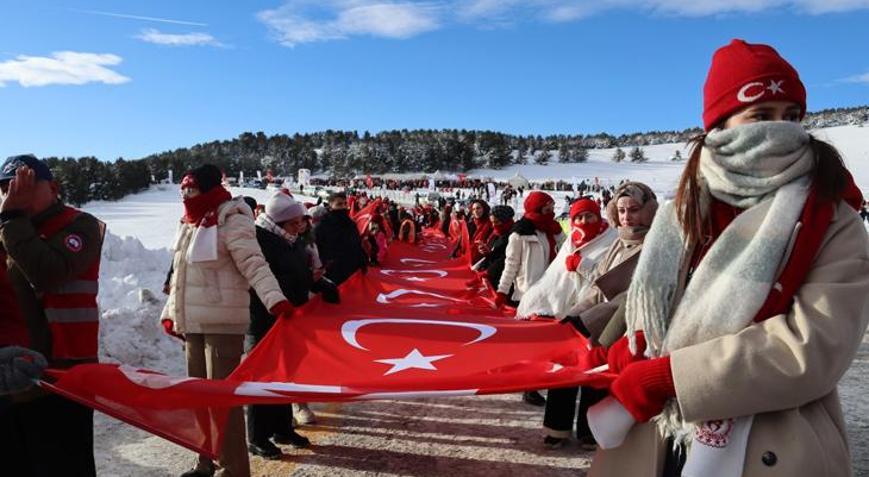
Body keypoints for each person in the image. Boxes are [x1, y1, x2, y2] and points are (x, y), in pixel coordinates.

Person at [587, 39, 869, 477]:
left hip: (769, 440)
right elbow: (661, 308)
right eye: (760, 116)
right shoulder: (683, 211)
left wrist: (671, 377)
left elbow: (812, 346)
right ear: (721, 124)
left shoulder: (831, 219)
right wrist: (635, 345)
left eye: (791, 117)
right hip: (658, 437)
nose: (781, 130)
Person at [161, 164, 294, 477]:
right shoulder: (189, 222)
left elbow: (253, 262)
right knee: (198, 399)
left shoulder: (230, 217)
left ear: (207, 189)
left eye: (191, 188)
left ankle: (232, 469)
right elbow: (180, 274)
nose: (185, 194)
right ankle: (204, 461)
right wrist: (170, 313)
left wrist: (275, 300)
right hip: (193, 324)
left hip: (222, 325)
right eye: (183, 189)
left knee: (223, 404)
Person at [0, 154, 105, 476]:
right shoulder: (8, 228)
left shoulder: (80, 225)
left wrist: (13, 218)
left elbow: (49, 271)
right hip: (7, 377)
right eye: (6, 187)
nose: (14, 193)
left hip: (61, 375)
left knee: (62, 465)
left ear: (55, 188)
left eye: (26, 185)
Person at [543, 183, 657, 450]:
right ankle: (557, 427)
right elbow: (599, 286)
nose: (627, 216)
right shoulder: (618, 240)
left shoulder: (656, 244)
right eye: (621, 210)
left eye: (634, 210)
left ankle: (588, 430)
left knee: (599, 374)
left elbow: (630, 295)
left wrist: (587, 320)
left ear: (649, 210)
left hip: (626, 322)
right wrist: (574, 315)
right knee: (569, 362)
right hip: (595, 315)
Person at [246, 192, 312, 460]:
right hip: (263, 318)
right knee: (262, 377)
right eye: (294, 223)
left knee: (285, 375)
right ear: (280, 222)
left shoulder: (291, 241)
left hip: (289, 319)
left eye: (300, 222)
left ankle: (282, 428)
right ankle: (258, 436)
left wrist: (318, 283)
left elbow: (299, 272)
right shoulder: (259, 241)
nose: (300, 227)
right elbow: (261, 278)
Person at [314, 192, 367, 285]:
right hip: (333, 274)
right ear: (330, 206)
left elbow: (357, 245)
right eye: (339, 204)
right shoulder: (322, 226)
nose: (343, 207)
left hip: (352, 270)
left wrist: (362, 261)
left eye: (345, 203)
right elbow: (316, 250)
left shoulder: (351, 224)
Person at [471, 205, 514, 290]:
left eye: (497, 222)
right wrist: (487, 251)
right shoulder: (495, 233)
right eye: (492, 222)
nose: (494, 225)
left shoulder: (513, 236)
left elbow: (506, 258)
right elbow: (494, 253)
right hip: (491, 274)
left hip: (503, 281)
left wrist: (488, 272)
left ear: (505, 221)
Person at [467, 199, 493, 264]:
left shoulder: (491, 224)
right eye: (473, 209)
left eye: (478, 208)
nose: (476, 211)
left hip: (485, 260)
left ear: (484, 208)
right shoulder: (470, 224)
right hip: (470, 259)